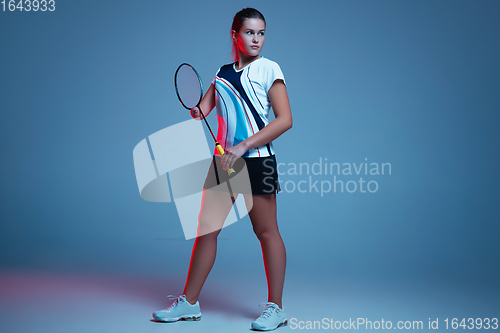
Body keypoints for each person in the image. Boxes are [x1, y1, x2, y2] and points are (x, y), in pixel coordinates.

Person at [153, 8, 292, 331]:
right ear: (235, 35)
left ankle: (276, 308)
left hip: (258, 161)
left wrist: (243, 146)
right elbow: (204, 107)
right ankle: (189, 303)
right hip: (223, 163)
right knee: (206, 231)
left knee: (266, 232)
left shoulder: (269, 69)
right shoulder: (222, 72)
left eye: (261, 33)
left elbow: (285, 120)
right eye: (249, 32)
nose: (256, 39)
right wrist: (198, 111)